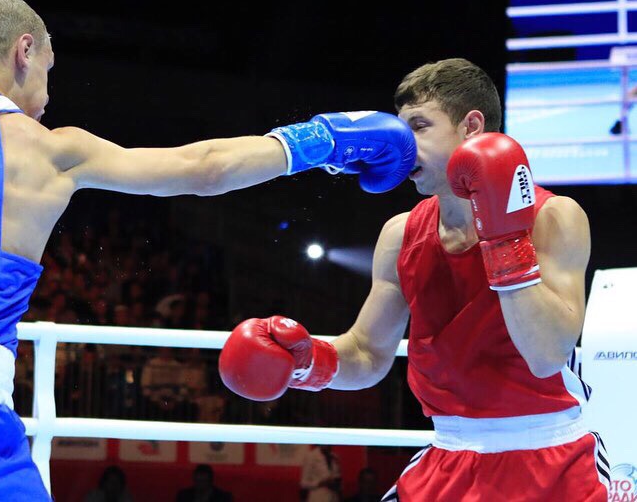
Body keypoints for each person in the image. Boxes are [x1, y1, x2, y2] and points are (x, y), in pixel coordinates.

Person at [0, 0, 415, 501]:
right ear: (23, 51)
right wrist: (322, 140)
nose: (46, 98)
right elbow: (204, 169)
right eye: (47, 74)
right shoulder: (53, 150)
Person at [219, 58, 609, 501]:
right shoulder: (401, 233)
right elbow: (367, 353)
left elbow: (546, 356)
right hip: (448, 455)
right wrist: (307, 362)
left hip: (549, 455)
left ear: (472, 126)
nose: (403, 148)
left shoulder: (554, 218)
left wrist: (504, 238)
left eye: (419, 127)